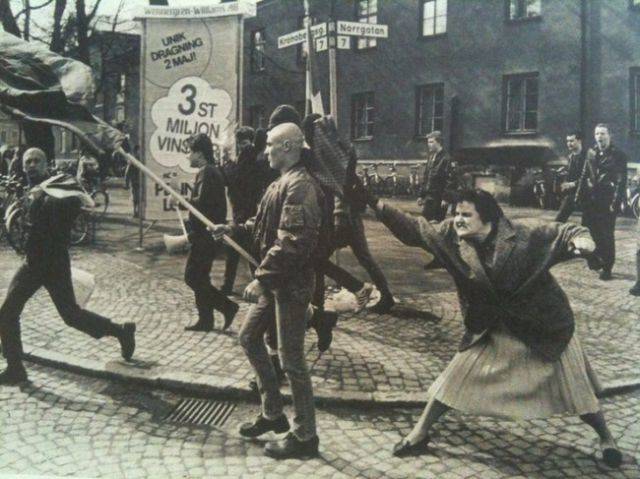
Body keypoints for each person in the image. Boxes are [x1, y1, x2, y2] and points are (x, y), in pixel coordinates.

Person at [347, 183, 623, 468]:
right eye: (456, 213)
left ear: (488, 218)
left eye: (466, 214)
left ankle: (606, 439)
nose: (458, 219)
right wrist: (375, 203)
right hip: (491, 325)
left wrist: (584, 243)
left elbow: (567, 231)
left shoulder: (523, 235)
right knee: (456, 376)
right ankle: (420, 433)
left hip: (543, 325)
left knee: (574, 389)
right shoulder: (450, 236)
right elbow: (414, 229)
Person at [211, 122, 327, 459]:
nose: (265, 151)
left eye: (271, 145)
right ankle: (273, 414)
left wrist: (261, 278)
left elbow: (293, 241)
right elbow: (260, 225)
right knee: (248, 338)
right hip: (276, 281)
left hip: (289, 285)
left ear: (289, 147)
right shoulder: (281, 183)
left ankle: (306, 436)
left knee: (293, 361)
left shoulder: (301, 186)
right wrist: (231, 228)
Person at [0, 147, 136, 385]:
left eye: (36, 161)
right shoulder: (29, 190)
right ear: (22, 166)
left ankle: (121, 332)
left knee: (67, 315)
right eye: (28, 162)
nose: (31, 165)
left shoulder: (59, 186)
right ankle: (16, 368)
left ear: (46, 164)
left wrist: (48, 200)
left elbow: (76, 207)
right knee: (12, 313)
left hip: (52, 262)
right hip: (33, 261)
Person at [179, 133, 239, 332]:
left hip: (206, 235)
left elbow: (202, 204)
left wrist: (180, 200)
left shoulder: (208, 173)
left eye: (190, 152)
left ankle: (227, 307)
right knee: (200, 277)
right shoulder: (208, 171)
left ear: (200, 154)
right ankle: (206, 320)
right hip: (205, 234)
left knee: (192, 277)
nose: (188, 157)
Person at [579, 124, 628, 280]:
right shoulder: (591, 152)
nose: (600, 137)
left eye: (603, 134)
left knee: (606, 235)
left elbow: (621, 181)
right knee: (588, 230)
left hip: (607, 200)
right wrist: (579, 195)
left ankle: (607, 267)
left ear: (609, 135)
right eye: (597, 133)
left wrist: (615, 202)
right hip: (591, 199)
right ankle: (595, 260)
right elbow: (584, 173)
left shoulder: (618, 155)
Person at [221, 126, 264, 296]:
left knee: (243, 250)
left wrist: (226, 163)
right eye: (240, 143)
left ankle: (231, 285)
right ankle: (232, 285)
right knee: (243, 250)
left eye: (243, 142)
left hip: (244, 210)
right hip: (245, 209)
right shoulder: (251, 157)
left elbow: (235, 177)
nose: (242, 146)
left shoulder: (248, 157)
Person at [418, 130, 458, 222]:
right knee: (424, 223)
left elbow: (451, 180)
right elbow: (426, 177)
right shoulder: (431, 157)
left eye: (431, 142)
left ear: (439, 142)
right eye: (428, 142)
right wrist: (421, 195)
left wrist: (446, 198)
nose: (429, 144)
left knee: (436, 225)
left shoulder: (446, 159)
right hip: (429, 197)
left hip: (439, 199)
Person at [555, 131, 587, 222]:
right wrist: (564, 183)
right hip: (573, 194)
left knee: (587, 224)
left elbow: (590, 178)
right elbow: (570, 174)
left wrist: (573, 184)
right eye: (567, 141)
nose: (569, 144)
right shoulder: (571, 157)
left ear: (579, 141)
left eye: (572, 141)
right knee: (559, 220)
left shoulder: (587, 156)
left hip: (587, 194)